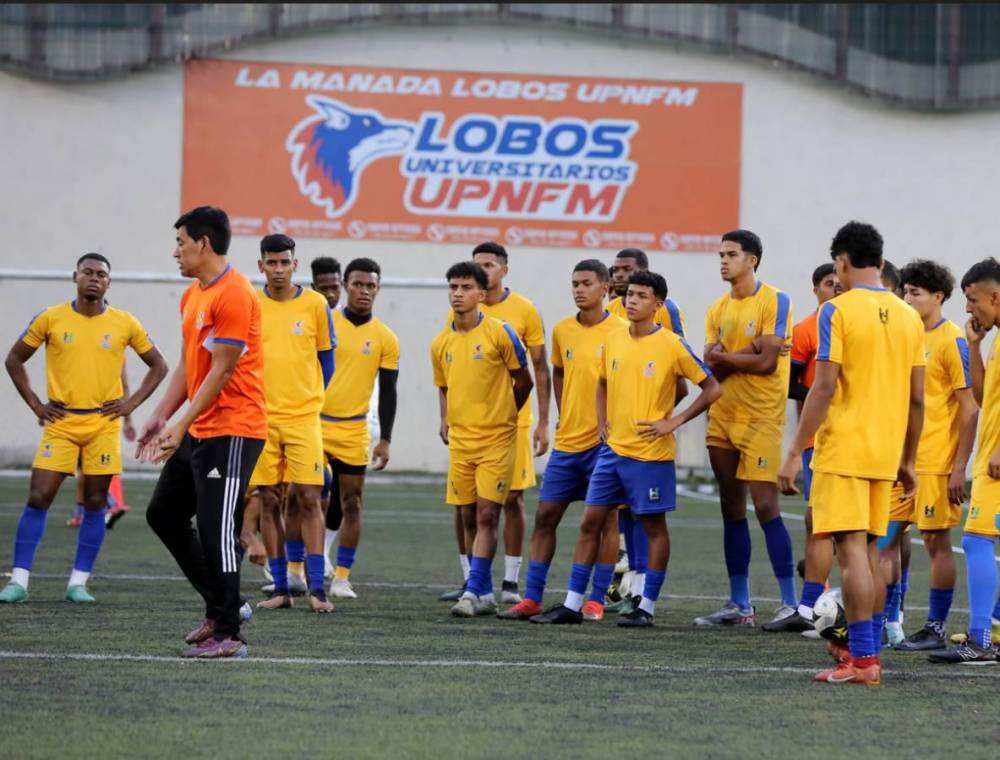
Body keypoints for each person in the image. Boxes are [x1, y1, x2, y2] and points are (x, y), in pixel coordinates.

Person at [779, 220, 925, 685]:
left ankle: (864, 661)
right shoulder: (908, 316)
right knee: (871, 553)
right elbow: (917, 398)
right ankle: (859, 650)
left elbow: (822, 387)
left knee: (853, 555)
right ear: (880, 262)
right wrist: (908, 458)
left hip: (843, 447)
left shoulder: (835, 311)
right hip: (885, 451)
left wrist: (795, 450)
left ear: (841, 262)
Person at [530, 270, 720, 626]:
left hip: (650, 456)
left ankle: (646, 606)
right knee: (590, 522)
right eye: (630, 294)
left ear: (658, 304)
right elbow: (602, 381)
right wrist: (603, 421)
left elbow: (712, 388)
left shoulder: (672, 345)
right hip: (612, 452)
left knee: (652, 527)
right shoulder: (614, 338)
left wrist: (674, 422)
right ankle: (572, 604)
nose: (632, 300)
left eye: (642, 296)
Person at [0, 253, 167, 604]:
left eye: (101, 274)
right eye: (87, 272)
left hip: (102, 425)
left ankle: (78, 583)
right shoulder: (50, 318)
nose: (94, 278)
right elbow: (14, 359)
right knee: (38, 496)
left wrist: (130, 404)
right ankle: (18, 581)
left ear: (109, 282)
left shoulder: (124, 322)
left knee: (94, 502)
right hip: (60, 423)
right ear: (74, 276)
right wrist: (36, 405)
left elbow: (159, 365)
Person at [140, 206, 267, 659]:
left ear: (204, 243)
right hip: (200, 425)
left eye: (180, 242)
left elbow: (222, 370)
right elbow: (189, 367)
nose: (176, 251)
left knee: (216, 529)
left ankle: (228, 633)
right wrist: (160, 416)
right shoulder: (193, 294)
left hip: (234, 429)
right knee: (163, 514)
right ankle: (223, 606)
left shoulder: (234, 295)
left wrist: (181, 425)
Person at [498, 260, 626, 621]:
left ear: (605, 288)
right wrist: (562, 414)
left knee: (605, 522)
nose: (578, 289)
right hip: (568, 442)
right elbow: (558, 370)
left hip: (605, 445)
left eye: (586, 283)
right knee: (545, 516)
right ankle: (532, 598)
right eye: (574, 283)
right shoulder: (562, 331)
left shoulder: (622, 330)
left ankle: (596, 599)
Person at [696, 229, 798, 628]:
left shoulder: (776, 299)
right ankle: (740, 604)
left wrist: (730, 356)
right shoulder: (716, 308)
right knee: (730, 507)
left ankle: (790, 602)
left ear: (752, 260)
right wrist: (749, 351)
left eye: (731, 254)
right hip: (722, 414)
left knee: (767, 506)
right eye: (720, 254)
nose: (723, 260)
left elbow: (769, 364)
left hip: (760, 417)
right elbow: (709, 363)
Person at [438, 242, 549, 604]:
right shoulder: (442, 340)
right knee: (467, 511)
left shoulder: (510, 323)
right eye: (454, 287)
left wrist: (515, 415)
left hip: (503, 432)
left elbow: (531, 376)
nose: (459, 293)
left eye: (466, 286)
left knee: (503, 505)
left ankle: (504, 582)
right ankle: (477, 585)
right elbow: (445, 384)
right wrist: (446, 419)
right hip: (462, 437)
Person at [876, 260, 977, 652]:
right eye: (905, 291)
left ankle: (934, 628)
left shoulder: (952, 340)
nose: (907, 297)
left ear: (938, 297)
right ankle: (885, 622)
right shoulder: (903, 335)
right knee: (883, 542)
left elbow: (969, 409)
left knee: (936, 542)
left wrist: (957, 467)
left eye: (915, 292)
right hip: (901, 462)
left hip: (936, 463)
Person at [250, 234, 336, 613]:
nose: (279, 269)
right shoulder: (252, 303)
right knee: (268, 500)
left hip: (303, 418)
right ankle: (281, 588)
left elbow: (326, 360)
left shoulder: (316, 304)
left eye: (285, 262)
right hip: (262, 418)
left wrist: (312, 397)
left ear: (295, 265)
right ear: (261, 266)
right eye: (272, 263)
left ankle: (318, 590)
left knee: (309, 498)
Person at [605, 247, 689, 615]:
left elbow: (682, 376)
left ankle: (642, 591)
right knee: (617, 512)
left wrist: (668, 415)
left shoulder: (665, 314)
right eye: (617, 270)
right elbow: (603, 377)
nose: (621, 276)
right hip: (617, 438)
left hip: (650, 436)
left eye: (628, 270)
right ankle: (621, 587)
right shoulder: (613, 315)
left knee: (647, 516)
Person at [929, 258, 1000, 664]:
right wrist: (973, 346)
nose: (969, 309)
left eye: (973, 300)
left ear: (995, 295)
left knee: (975, 539)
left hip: (996, 462)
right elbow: (983, 394)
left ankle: (980, 640)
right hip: (990, 455)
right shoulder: (995, 339)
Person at [765, 263, 841, 633]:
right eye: (829, 284)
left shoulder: (853, 325)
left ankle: (888, 619)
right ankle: (814, 602)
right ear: (816, 289)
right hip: (817, 441)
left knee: (872, 535)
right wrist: (821, 395)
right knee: (818, 523)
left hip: (856, 440)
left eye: (839, 283)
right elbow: (790, 384)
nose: (836, 289)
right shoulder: (807, 329)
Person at [321, 257, 399, 599]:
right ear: (344, 286)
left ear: (378, 289)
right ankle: (295, 572)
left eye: (371, 285)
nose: (364, 291)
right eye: (358, 284)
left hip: (354, 430)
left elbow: (390, 391)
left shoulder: (385, 337)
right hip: (315, 424)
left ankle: (341, 577)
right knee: (302, 498)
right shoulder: (325, 325)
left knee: (352, 501)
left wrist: (385, 439)